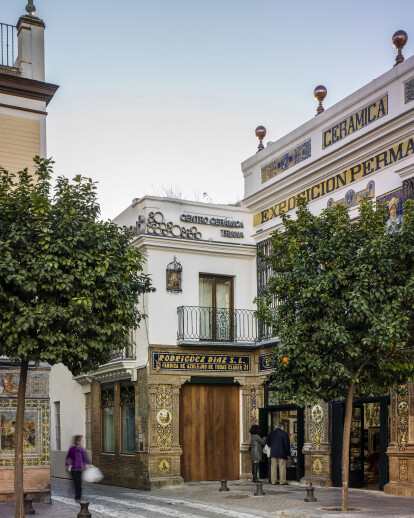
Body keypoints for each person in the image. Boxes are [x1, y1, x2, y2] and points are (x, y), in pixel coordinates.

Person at [65, 435, 91, 502]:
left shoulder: (82, 449)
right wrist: (66, 464)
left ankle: (78, 497)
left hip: (80, 469)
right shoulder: (72, 449)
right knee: (76, 483)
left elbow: (85, 458)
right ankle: (77, 498)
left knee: (79, 484)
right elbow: (68, 457)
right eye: (80, 440)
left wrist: (88, 464)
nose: (81, 442)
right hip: (73, 469)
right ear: (76, 441)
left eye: (81, 441)